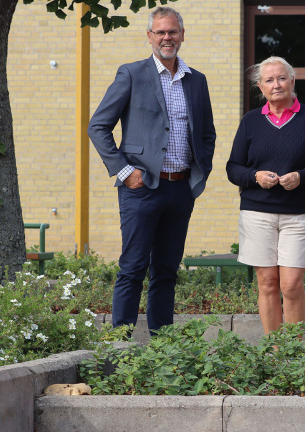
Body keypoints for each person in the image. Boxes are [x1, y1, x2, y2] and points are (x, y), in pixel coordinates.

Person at [88, 6, 215, 333]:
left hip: (181, 189)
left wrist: (201, 171)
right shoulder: (131, 74)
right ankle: (120, 345)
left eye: (172, 31)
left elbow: (207, 134)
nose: (167, 38)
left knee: (167, 271)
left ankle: (162, 345)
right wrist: (124, 171)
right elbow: (98, 126)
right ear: (149, 37)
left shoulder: (196, 81)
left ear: (182, 35)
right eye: (160, 32)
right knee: (132, 268)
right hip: (141, 189)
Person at [226, 56, 305, 334]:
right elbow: (233, 168)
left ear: (292, 81)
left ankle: (293, 353)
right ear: (260, 87)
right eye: (269, 80)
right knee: (267, 283)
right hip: (256, 213)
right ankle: (275, 351)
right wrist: (255, 177)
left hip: (298, 214)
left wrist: (303, 177)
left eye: (281, 78)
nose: (276, 84)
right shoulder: (250, 121)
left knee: (290, 285)